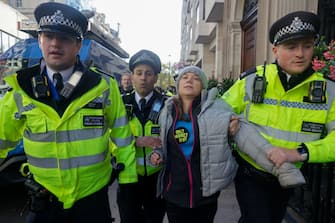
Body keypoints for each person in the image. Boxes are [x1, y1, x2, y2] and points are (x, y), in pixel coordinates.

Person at [0, 2, 137, 223]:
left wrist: (128, 181)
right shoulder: (21, 87)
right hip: (44, 196)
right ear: (40, 40)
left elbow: (122, 135)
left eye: (64, 38)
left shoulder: (102, 86)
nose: (55, 43)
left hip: (92, 198)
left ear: (78, 45)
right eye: (48, 36)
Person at [148, 65, 305, 223]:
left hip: (205, 193)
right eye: (185, 77)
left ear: (203, 87)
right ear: (178, 84)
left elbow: (249, 140)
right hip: (173, 192)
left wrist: (282, 168)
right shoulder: (167, 112)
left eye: (196, 78)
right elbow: (165, 145)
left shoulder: (218, 110)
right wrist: (158, 154)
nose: (189, 80)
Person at [221, 11, 335, 223]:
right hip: (251, 172)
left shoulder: (329, 90)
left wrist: (299, 153)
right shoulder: (251, 80)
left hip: (290, 175)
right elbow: (219, 111)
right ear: (275, 50)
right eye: (291, 47)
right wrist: (227, 124)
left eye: (307, 46)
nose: (300, 54)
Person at [116, 49, 166, 223]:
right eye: (139, 73)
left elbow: (177, 137)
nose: (143, 78)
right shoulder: (120, 103)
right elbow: (107, 137)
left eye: (148, 73)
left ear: (156, 77)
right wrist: (134, 141)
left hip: (157, 179)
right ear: (132, 76)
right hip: (128, 178)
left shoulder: (168, 104)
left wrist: (161, 151)